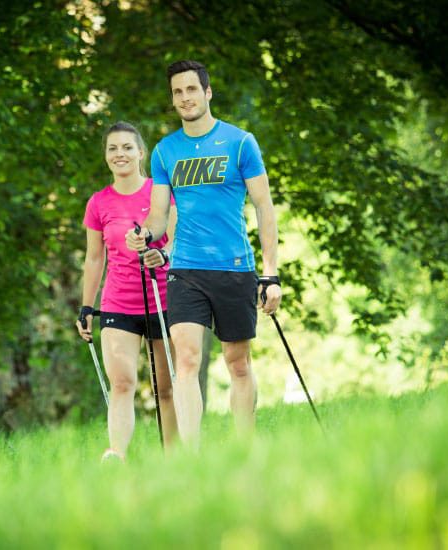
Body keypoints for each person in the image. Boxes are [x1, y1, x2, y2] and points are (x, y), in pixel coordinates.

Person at [126, 60, 282, 448]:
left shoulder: (240, 142)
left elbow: (264, 206)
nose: (184, 98)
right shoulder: (165, 151)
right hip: (185, 269)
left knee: (238, 363)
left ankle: (245, 448)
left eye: (191, 89)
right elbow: (160, 216)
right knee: (187, 361)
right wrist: (145, 234)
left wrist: (271, 272)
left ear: (207, 92)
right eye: (177, 92)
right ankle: (192, 460)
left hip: (234, 267)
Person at [76, 121, 178, 461]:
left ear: (140, 153)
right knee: (121, 384)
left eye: (126, 147)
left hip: (163, 299)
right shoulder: (98, 203)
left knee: (166, 388)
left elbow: (179, 243)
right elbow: (93, 259)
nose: (120, 154)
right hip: (118, 304)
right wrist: (86, 307)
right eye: (113, 148)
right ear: (106, 156)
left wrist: (161, 254)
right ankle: (116, 456)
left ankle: (175, 458)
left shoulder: (160, 193)